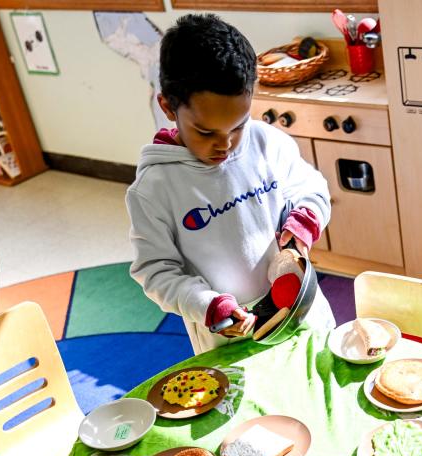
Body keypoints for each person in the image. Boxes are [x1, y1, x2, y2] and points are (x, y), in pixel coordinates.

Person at [126, 13, 336, 354]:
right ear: (167, 106)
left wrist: (300, 230)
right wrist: (208, 305)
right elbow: (155, 271)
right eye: (206, 132)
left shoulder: (267, 142)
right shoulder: (154, 188)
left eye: (238, 126)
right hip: (227, 333)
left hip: (299, 306)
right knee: (252, 406)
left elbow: (310, 187)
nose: (224, 144)